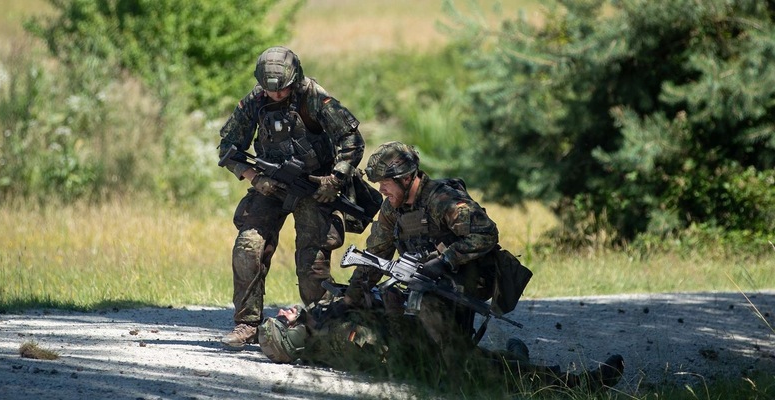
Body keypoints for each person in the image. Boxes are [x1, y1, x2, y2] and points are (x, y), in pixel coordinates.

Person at [341, 141, 532, 377]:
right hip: (431, 282)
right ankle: (489, 357)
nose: (382, 190)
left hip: (470, 279)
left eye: (386, 183)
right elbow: (376, 253)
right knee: (386, 300)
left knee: (437, 326)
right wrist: (351, 298)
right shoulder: (393, 208)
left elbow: (486, 233)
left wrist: (443, 261)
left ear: (406, 178)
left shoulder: (442, 199)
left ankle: (478, 368)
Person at [217, 46, 365, 346]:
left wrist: (335, 179)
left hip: (315, 188)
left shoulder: (313, 97)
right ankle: (247, 324)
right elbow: (228, 148)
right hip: (271, 185)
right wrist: (255, 179)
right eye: (270, 91)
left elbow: (351, 139)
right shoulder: (254, 101)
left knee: (312, 263)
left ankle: (324, 329)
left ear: (294, 79)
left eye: (282, 90)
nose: (276, 96)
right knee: (248, 246)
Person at [257, 298, 625, 392]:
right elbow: (385, 347)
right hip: (429, 361)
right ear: (292, 336)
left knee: (493, 360)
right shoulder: (336, 337)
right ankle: (578, 384)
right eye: (282, 320)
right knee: (494, 371)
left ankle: (514, 357)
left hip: (426, 350)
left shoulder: (323, 329)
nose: (285, 311)